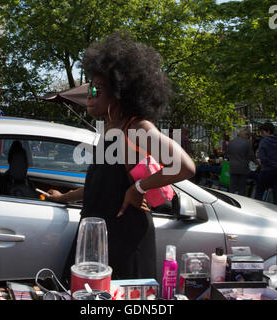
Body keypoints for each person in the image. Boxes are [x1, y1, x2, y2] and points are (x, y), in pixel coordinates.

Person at [45, 32, 195, 281]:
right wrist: (66, 197)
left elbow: (183, 166)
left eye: (96, 88)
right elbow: (102, 186)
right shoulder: (110, 130)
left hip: (125, 238)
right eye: (88, 87)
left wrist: (138, 188)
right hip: (96, 233)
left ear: (118, 92)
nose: (89, 95)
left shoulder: (136, 128)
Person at [226, 128, 255, 196]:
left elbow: (227, 154)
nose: (249, 137)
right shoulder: (247, 143)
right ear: (245, 135)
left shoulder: (231, 142)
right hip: (243, 168)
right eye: (248, 136)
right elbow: (251, 156)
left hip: (233, 167)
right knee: (242, 188)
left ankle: (230, 202)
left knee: (232, 187)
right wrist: (258, 164)